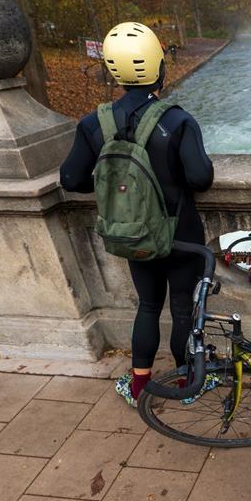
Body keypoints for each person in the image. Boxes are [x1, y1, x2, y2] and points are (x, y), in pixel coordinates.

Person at [60, 21, 214, 407]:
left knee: (148, 306)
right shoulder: (178, 120)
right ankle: (186, 385)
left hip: (131, 233)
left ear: (114, 72)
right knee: (182, 308)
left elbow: (70, 179)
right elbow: (200, 177)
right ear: (160, 67)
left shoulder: (94, 123)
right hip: (181, 234)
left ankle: (140, 385)